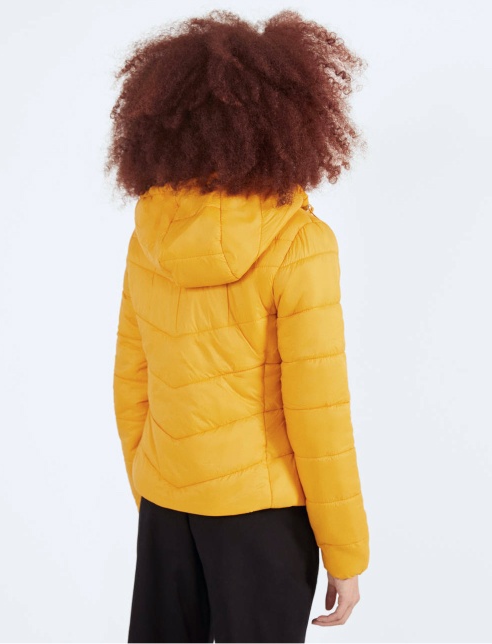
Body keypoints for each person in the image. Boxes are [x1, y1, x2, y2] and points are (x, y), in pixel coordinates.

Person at [106, 9, 370, 643]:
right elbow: (318, 415)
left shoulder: (151, 237)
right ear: (293, 122)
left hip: (167, 510)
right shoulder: (301, 243)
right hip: (262, 519)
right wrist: (345, 552)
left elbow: (132, 382)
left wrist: (157, 487)